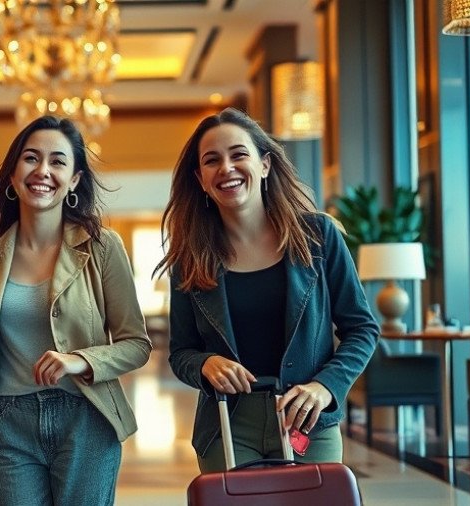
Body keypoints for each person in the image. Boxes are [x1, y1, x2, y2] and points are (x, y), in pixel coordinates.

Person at [0, 115, 151, 506]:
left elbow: (136, 344)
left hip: (86, 419)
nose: (43, 170)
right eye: (31, 158)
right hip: (7, 426)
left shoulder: (102, 247)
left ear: (75, 180)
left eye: (58, 161)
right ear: (13, 174)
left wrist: (79, 360)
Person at [154, 107, 378, 473]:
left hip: (307, 420)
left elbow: (362, 328)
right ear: (200, 178)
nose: (226, 168)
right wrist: (205, 363)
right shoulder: (190, 258)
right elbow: (181, 353)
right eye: (212, 161)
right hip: (226, 425)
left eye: (239, 154)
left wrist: (326, 386)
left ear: (265, 165)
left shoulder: (318, 237)